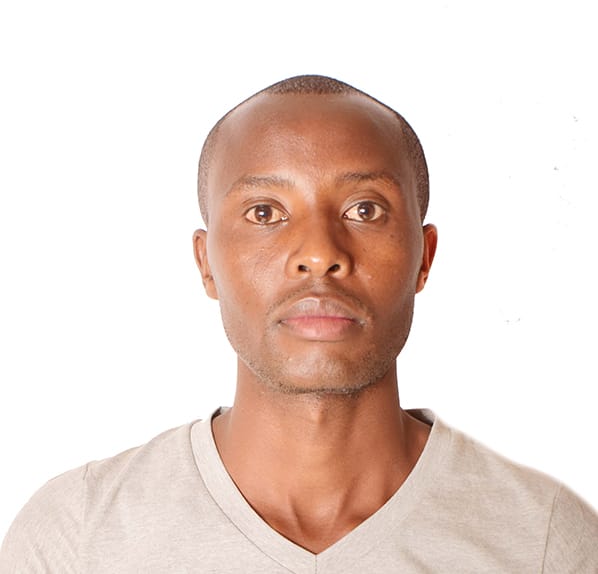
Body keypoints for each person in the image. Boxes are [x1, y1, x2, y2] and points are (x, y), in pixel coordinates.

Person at [1, 75, 597, 573]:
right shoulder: (78, 536)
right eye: (265, 212)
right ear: (206, 264)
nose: (319, 253)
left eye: (365, 209)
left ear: (424, 257)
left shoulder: (545, 543)